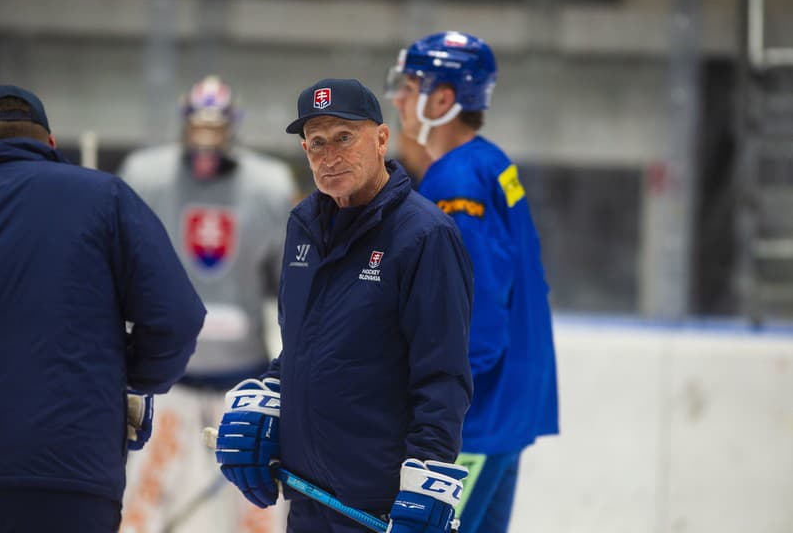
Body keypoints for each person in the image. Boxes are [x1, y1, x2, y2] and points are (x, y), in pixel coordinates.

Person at [0, 85, 206, 533]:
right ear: (48, 143)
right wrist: (125, 377)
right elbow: (177, 319)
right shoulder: (106, 200)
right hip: (65, 478)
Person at [213, 78, 475, 533]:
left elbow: (442, 374)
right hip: (307, 495)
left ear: (380, 139)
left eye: (343, 138)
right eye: (316, 143)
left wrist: (427, 478)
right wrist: (270, 397)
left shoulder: (424, 236)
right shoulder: (302, 227)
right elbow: (302, 346)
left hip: (379, 507)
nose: (329, 156)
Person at [386, 31, 560, 533]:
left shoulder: (455, 181)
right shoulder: (490, 162)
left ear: (443, 99)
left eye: (409, 85)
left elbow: (478, 301)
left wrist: (440, 396)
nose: (398, 98)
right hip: (506, 408)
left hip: (475, 417)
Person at [117, 76, 297, 533]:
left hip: (243, 375)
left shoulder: (269, 185)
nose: (206, 142)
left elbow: (290, 286)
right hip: (166, 376)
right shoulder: (144, 177)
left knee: (258, 503)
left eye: (215, 129)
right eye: (199, 127)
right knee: (145, 494)